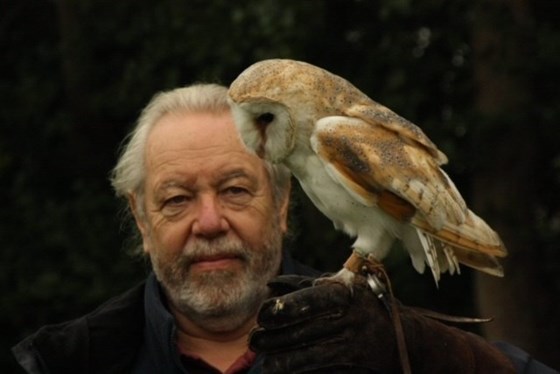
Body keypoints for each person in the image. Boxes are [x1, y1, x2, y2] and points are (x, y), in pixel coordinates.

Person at [12, 84, 556, 373]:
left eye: (235, 190)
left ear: (282, 202)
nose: (209, 222)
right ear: (141, 218)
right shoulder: (71, 361)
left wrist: (443, 361)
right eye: (177, 199)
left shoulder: (372, 338)